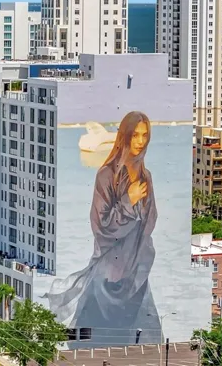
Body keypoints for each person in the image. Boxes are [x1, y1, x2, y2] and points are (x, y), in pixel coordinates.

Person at [45, 111, 162, 344]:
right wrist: (128, 201)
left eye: (144, 136)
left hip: (136, 271)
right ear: (124, 137)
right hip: (108, 274)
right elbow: (101, 226)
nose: (140, 141)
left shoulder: (144, 176)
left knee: (149, 340)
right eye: (135, 135)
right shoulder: (106, 176)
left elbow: (150, 221)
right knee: (93, 338)